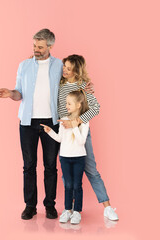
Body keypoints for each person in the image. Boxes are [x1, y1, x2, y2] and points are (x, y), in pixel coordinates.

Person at [0, 29, 62, 219]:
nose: (36, 49)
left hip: (52, 123)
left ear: (50, 46)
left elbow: (70, 86)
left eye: (40, 47)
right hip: (27, 123)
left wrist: (87, 86)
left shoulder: (60, 66)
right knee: (29, 165)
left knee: (50, 166)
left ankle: (50, 205)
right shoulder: (23, 66)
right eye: (34, 46)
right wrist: (10, 93)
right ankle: (30, 205)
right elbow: (19, 93)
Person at [57, 54, 118, 220]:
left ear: (77, 71)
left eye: (69, 69)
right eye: (64, 67)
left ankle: (107, 207)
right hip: (64, 133)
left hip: (80, 133)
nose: (65, 70)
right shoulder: (59, 84)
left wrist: (77, 122)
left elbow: (95, 108)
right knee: (66, 175)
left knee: (91, 170)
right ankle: (69, 209)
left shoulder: (83, 87)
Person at [41, 90, 90, 225]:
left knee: (77, 185)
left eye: (69, 103)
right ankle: (67, 210)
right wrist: (50, 131)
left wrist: (74, 126)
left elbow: (81, 141)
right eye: (66, 103)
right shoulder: (64, 119)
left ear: (78, 105)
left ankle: (77, 212)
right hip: (64, 157)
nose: (66, 105)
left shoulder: (84, 122)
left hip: (79, 157)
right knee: (68, 185)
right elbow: (60, 138)